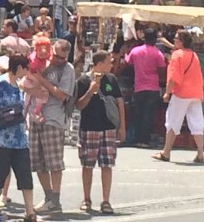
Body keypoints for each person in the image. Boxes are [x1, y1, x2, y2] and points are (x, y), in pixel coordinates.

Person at [0, 53, 38, 222]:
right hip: (2, 137)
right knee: (0, 171)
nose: (26, 71)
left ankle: (29, 211)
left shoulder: (17, 85)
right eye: (25, 68)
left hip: (19, 138)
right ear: (19, 67)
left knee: (24, 172)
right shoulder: (0, 83)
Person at [75, 50, 125, 215]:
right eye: (109, 61)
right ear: (99, 63)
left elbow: (119, 102)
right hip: (89, 127)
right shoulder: (83, 80)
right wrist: (91, 91)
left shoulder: (111, 80)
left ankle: (106, 200)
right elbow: (79, 106)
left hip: (108, 127)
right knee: (87, 164)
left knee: (107, 164)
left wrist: (121, 126)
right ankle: (86, 198)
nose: (111, 64)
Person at [29, 38, 76, 215]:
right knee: (38, 162)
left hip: (54, 119)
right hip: (35, 117)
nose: (58, 60)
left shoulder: (67, 70)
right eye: (56, 55)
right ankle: (49, 197)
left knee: (54, 163)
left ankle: (55, 199)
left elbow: (62, 95)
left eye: (63, 58)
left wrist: (41, 80)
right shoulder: (43, 62)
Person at [152, 29, 204, 164]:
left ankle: (166, 152)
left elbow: (173, 77)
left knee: (173, 122)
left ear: (181, 42)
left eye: (176, 39)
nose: (174, 40)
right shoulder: (194, 55)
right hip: (196, 92)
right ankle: (200, 153)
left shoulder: (177, 55)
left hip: (181, 93)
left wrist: (167, 92)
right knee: (197, 123)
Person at [126, 28, 165, 148]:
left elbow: (128, 62)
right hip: (153, 88)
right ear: (154, 39)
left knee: (138, 113)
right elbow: (162, 70)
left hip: (139, 87)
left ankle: (137, 139)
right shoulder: (158, 54)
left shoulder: (135, 51)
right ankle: (145, 140)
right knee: (149, 114)